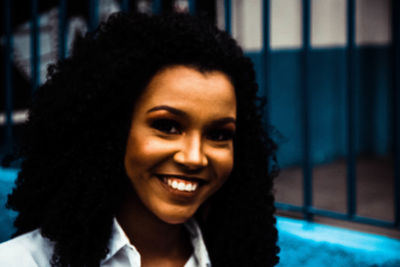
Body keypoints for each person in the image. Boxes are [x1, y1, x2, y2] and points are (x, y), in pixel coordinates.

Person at [0, 12, 279, 267]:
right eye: (167, 126)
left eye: (218, 135)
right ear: (113, 130)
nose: (194, 157)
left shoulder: (239, 259)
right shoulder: (23, 261)